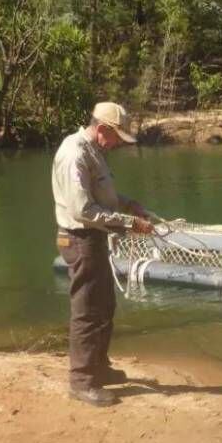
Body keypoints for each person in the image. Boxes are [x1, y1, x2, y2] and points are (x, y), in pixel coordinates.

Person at [51, 101, 155, 407]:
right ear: (103, 130)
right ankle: (81, 381)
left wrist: (127, 203)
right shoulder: (75, 154)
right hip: (79, 238)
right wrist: (130, 223)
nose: (118, 145)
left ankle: (99, 366)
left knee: (104, 304)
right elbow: (82, 209)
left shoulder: (95, 151)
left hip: (94, 238)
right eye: (117, 138)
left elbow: (102, 194)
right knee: (86, 310)